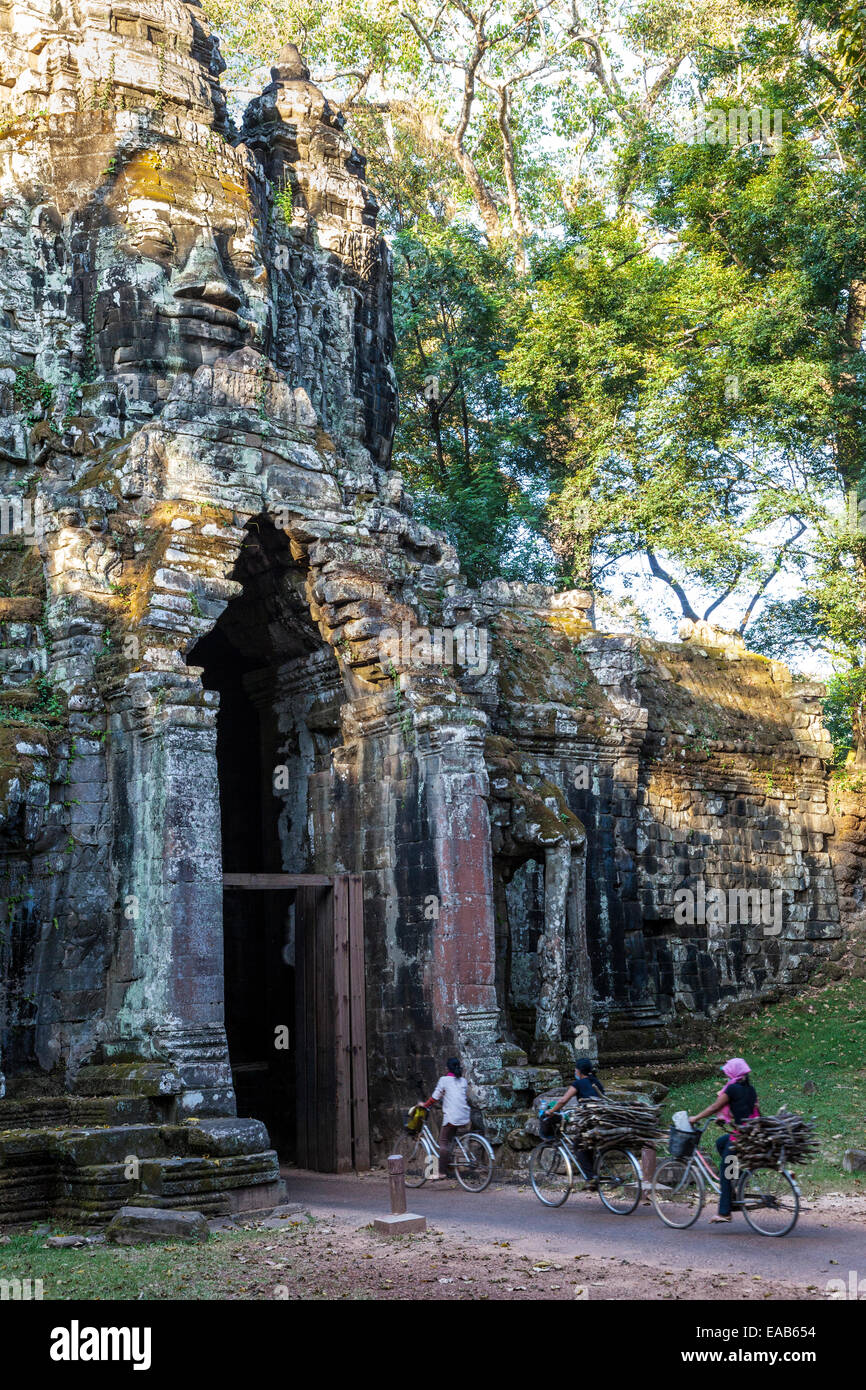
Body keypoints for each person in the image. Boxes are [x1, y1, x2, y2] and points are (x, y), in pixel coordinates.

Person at [688, 1057, 760, 1224]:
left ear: (733, 1073)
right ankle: (739, 1178)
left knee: (725, 1169)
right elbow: (744, 1109)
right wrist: (727, 1119)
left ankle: (724, 1212)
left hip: (741, 1136)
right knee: (721, 1143)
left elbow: (715, 1107)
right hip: (751, 1133)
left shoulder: (732, 1089)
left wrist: (695, 1118)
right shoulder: (750, 1089)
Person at [546, 1058, 605, 1188]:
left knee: (578, 1146)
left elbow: (563, 1100)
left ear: (579, 1071)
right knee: (587, 1145)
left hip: (589, 1119)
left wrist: (551, 1111)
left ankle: (591, 1178)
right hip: (601, 1119)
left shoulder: (578, 1084)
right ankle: (593, 1177)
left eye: (576, 1069)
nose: (575, 1072)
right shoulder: (596, 1082)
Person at [422, 1056, 471, 1180]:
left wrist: (425, 1105)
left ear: (447, 1068)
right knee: (450, 1139)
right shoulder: (463, 1081)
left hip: (452, 1116)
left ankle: (441, 1172)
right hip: (464, 1115)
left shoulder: (444, 1080)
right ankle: (448, 1161)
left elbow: (434, 1097)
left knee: (443, 1142)